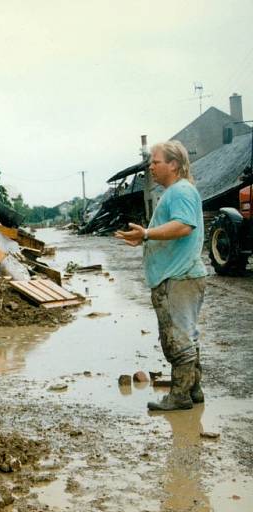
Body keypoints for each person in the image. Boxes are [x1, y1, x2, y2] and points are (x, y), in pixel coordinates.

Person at [115, 140, 207, 411]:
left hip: (177, 277)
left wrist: (146, 234)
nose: (151, 167)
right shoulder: (177, 191)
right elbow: (175, 229)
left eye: (156, 162)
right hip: (181, 275)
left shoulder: (179, 192)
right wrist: (145, 239)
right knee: (187, 334)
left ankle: (179, 396)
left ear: (174, 164)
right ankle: (193, 389)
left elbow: (183, 226)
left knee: (175, 338)